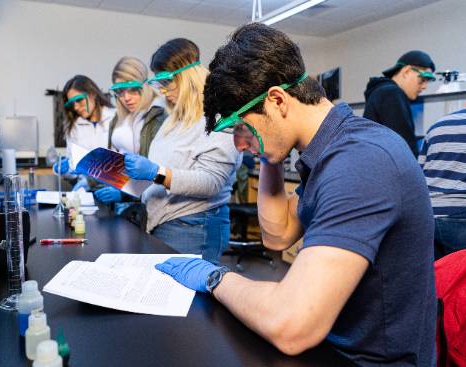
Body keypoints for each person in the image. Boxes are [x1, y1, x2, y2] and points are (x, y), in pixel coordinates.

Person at [156, 24, 436, 365]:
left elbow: (292, 324)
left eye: (241, 127)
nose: (239, 144)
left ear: (276, 99)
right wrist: (268, 154)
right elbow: (279, 234)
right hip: (332, 345)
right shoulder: (329, 149)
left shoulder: (361, 161)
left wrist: (215, 276)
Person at [122, 38, 241, 264]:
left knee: (188, 298)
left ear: (188, 77)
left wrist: (155, 172)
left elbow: (211, 182)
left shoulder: (219, 118)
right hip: (164, 222)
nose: (164, 91)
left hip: (193, 226)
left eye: (168, 81)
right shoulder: (174, 118)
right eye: (159, 83)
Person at [93, 56, 166, 205]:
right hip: (122, 197)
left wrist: (126, 195)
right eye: (120, 91)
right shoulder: (119, 118)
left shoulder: (158, 116)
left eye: (133, 90)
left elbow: (159, 174)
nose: (126, 98)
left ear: (145, 86)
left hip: (145, 201)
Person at [364, 50, 436, 158]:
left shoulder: (380, 91)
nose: (425, 86)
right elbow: (404, 146)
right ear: (406, 72)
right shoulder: (391, 93)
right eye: (422, 79)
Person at [53, 75, 116, 191]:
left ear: (93, 94)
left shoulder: (115, 118)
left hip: (113, 189)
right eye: (72, 104)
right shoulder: (74, 127)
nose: (76, 107)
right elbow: (74, 168)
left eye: (79, 100)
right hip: (86, 190)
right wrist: (65, 171)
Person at [419, 108, 466, 259]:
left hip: (428, 215)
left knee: (436, 277)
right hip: (459, 217)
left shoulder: (437, 126)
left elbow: (419, 172)